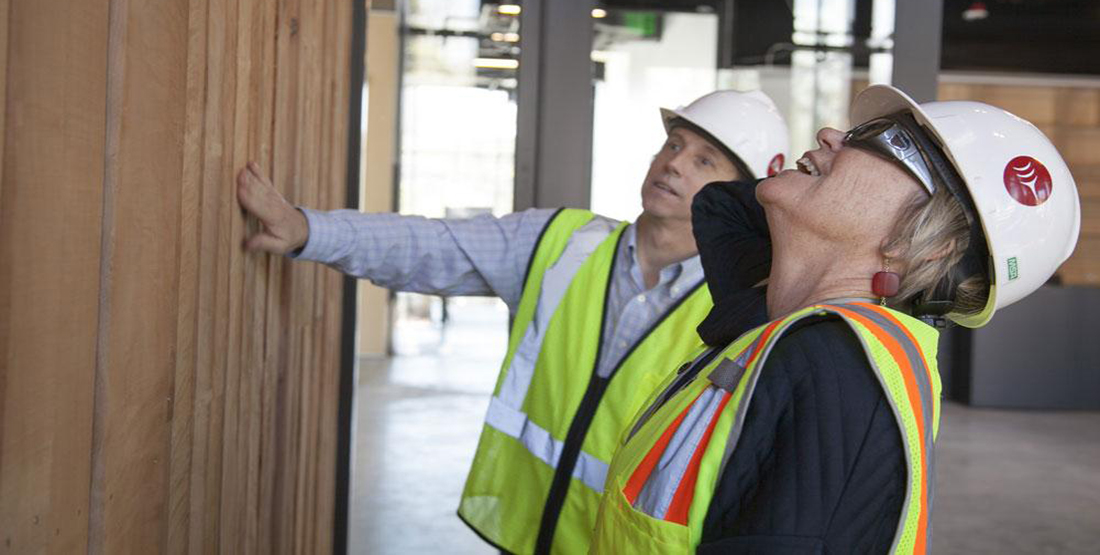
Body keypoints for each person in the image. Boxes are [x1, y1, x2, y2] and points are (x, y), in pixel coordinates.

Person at [236, 90, 790, 554]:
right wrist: (308, 230)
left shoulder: (745, 315)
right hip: (524, 534)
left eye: (704, 160)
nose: (673, 162)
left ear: (741, 196)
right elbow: (432, 247)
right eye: (673, 144)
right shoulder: (562, 243)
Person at [589, 84, 1081, 554]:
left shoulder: (837, 371)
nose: (829, 135)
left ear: (935, 241)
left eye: (884, 141)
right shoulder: (793, 328)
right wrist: (818, 258)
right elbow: (720, 207)